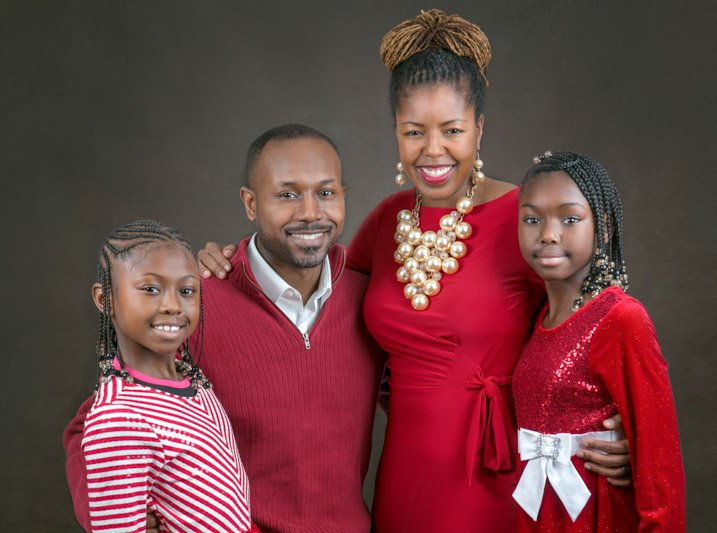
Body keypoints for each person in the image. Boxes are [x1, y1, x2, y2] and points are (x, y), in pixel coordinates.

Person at [199, 10, 632, 533]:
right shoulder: (387, 220)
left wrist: (615, 427)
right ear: (396, 134)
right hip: (405, 471)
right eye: (413, 131)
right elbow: (316, 277)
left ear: (479, 129)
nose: (432, 150)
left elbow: (598, 321)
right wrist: (231, 262)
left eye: (452, 129)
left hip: (497, 471)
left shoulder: (525, 216)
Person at [65, 125, 383, 532]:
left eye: (325, 192)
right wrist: (121, 518)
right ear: (250, 203)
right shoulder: (195, 307)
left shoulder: (369, 299)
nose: (310, 212)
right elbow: (95, 424)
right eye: (287, 194)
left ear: (343, 196)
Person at [512, 151, 685, 531]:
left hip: (594, 516)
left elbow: (661, 465)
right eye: (532, 219)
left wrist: (633, 451)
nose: (548, 234)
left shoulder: (620, 318)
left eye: (570, 219)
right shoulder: (536, 316)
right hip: (537, 513)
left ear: (603, 228)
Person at [81, 219, 257, 532]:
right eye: (151, 289)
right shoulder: (119, 419)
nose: (173, 306)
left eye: (187, 290)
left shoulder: (191, 377)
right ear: (104, 298)